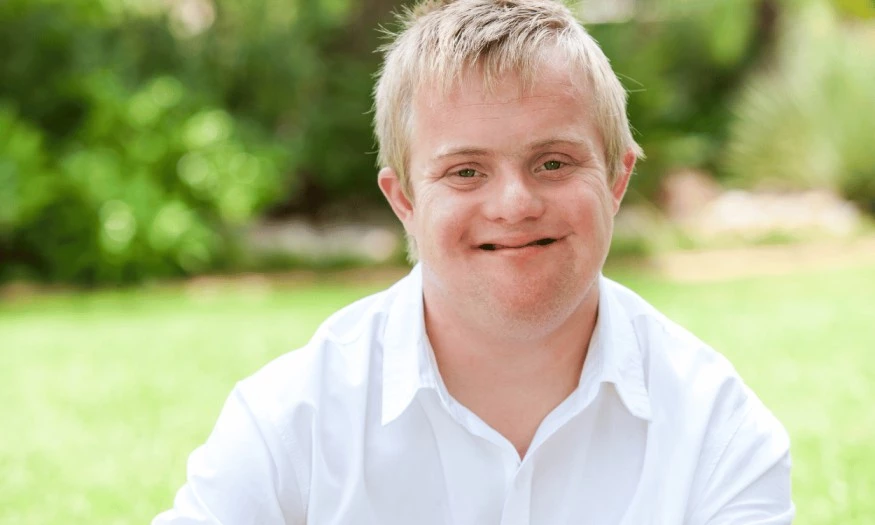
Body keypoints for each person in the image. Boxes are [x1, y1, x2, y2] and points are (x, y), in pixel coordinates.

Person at [153, 1, 794, 523]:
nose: (514, 204)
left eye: (553, 163)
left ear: (617, 178)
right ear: (403, 198)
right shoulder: (292, 422)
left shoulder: (716, 428)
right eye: (465, 171)